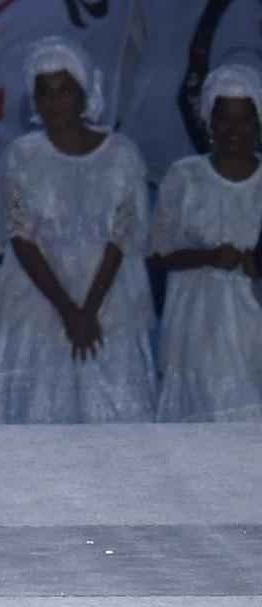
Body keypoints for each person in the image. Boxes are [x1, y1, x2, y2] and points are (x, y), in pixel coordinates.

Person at [0, 36, 156, 423]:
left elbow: (122, 236)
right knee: (42, 414)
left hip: (110, 304)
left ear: (84, 93)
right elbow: (20, 237)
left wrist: (87, 311)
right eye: (45, 92)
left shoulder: (122, 154)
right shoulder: (21, 156)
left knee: (114, 414)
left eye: (65, 91)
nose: (55, 101)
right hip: (39, 303)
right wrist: (68, 310)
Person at [150, 63, 262, 422]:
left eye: (245, 119)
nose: (234, 130)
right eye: (224, 118)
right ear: (208, 121)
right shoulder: (184, 176)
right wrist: (208, 256)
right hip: (196, 329)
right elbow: (157, 253)